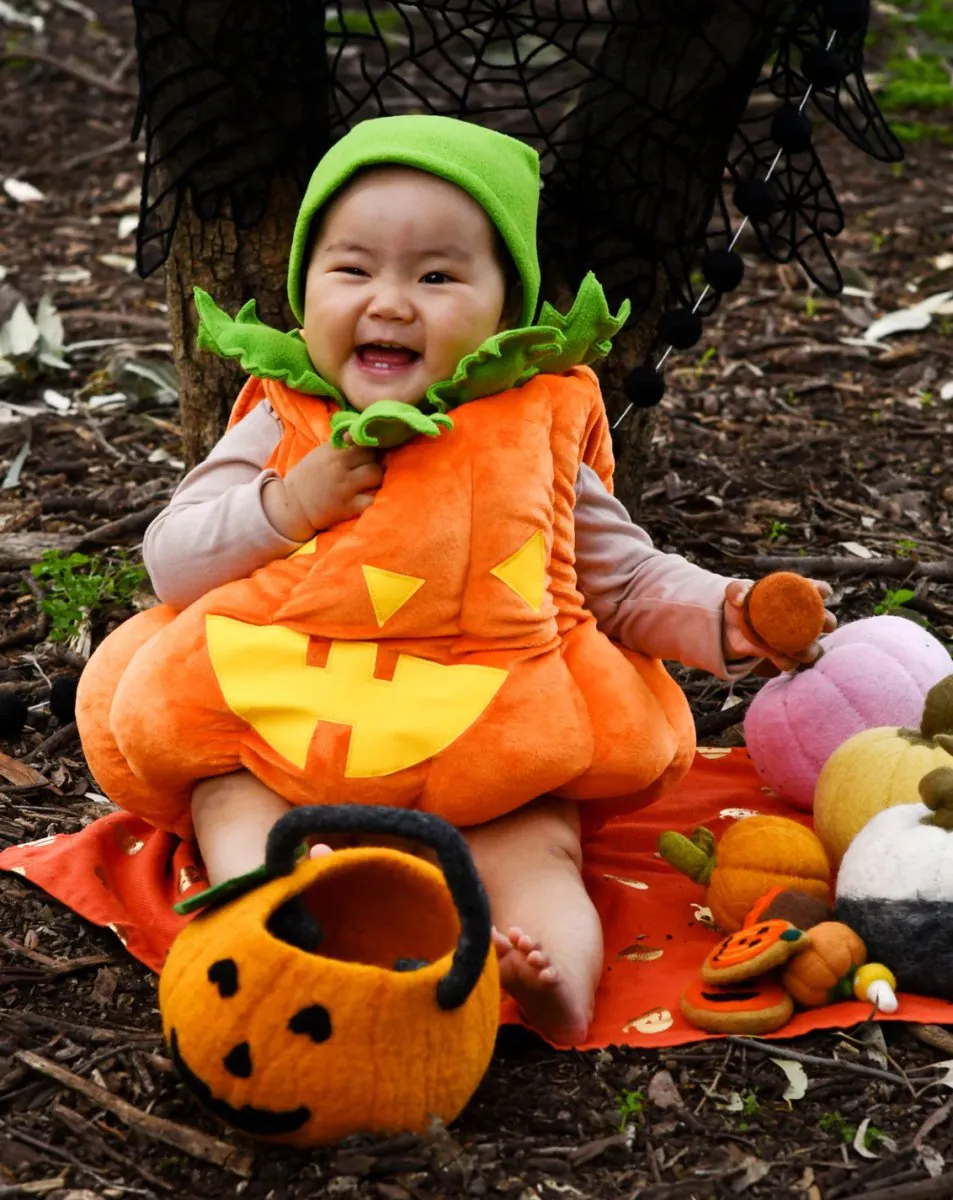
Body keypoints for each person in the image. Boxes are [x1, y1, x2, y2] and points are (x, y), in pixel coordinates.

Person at [79, 115, 833, 1045]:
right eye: (352, 270)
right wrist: (286, 505)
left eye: (436, 276)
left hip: (489, 755)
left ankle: (552, 982)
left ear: (504, 308)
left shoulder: (535, 435)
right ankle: (274, 907)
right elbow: (173, 560)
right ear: (304, 291)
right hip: (289, 734)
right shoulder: (285, 421)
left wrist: (729, 616)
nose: (390, 302)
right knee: (226, 795)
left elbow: (623, 583)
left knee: (542, 848)